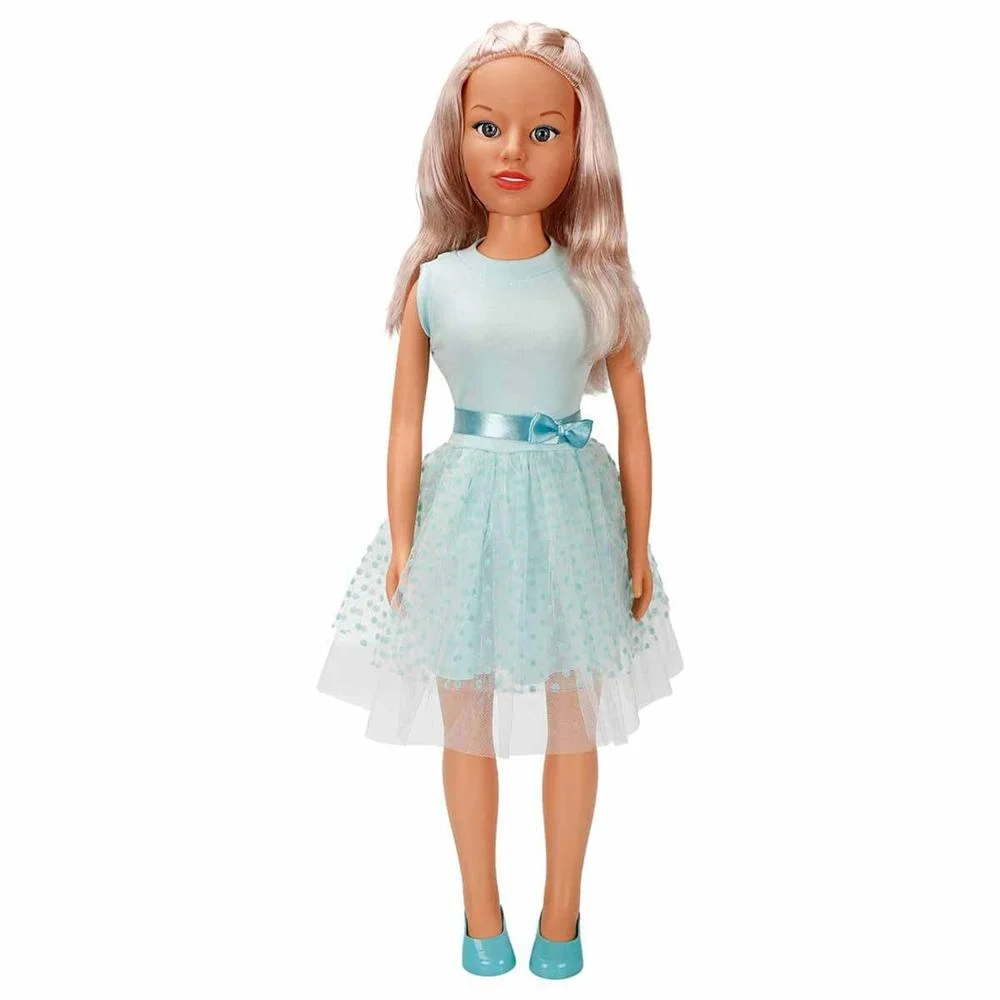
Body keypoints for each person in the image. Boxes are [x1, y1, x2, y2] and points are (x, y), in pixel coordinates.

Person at [316, 20, 684, 979]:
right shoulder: (434, 282)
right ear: (457, 138)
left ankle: (562, 915)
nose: (512, 150)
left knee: (574, 718)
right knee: (466, 718)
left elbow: (637, 426)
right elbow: (404, 422)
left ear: (581, 145)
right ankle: (480, 915)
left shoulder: (598, 281)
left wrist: (638, 546)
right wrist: (404, 538)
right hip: (464, 512)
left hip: (570, 514)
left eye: (543, 131)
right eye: (488, 127)